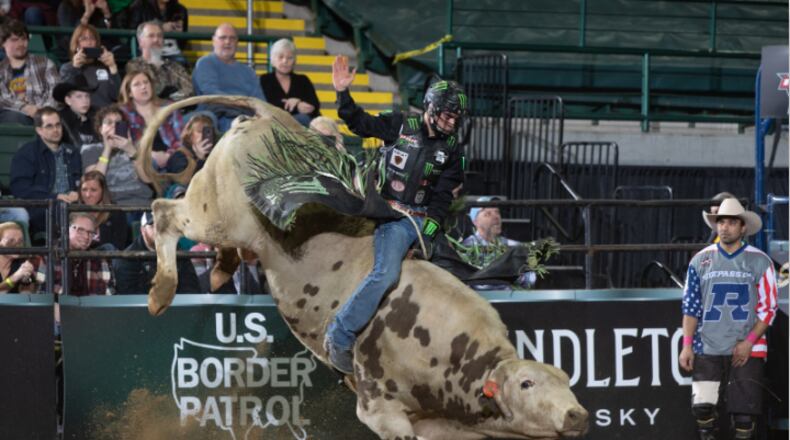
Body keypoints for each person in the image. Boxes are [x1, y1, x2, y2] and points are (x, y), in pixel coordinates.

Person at [323, 55, 468, 373]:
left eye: (456, 118)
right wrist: (343, 94)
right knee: (386, 274)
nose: (451, 123)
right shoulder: (402, 125)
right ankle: (340, 334)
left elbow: (442, 200)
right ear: (430, 107)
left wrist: (427, 236)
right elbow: (359, 123)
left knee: (457, 273)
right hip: (390, 216)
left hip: (421, 221)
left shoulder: (453, 151)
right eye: (446, 115)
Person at [678, 198, 778, 440]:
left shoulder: (760, 261)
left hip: (747, 348)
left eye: (732, 222)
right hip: (707, 345)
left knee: (744, 417)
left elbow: (769, 307)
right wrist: (687, 345)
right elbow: (691, 306)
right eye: (721, 222)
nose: (725, 227)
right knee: (702, 408)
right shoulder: (700, 260)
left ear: (743, 227)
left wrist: (749, 341)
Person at [10, 107, 82, 236]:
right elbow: (20, 188)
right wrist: (55, 197)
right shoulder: (27, 153)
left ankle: (108, 253)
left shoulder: (72, 152)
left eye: (58, 125)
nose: (55, 130)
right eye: (49, 126)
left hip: (73, 205)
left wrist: (78, 193)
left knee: (109, 213)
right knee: (62, 211)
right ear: (39, 130)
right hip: (43, 207)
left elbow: (81, 181)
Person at [192, 23, 265, 132]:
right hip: (218, 114)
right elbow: (212, 94)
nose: (227, 42)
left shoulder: (248, 71)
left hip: (246, 115)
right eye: (223, 38)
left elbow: (260, 101)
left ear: (237, 42)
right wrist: (242, 103)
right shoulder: (205, 63)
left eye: (232, 38)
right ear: (214, 41)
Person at [81, 105, 153, 216]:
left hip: (142, 204)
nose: (114, 126)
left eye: (118, 123)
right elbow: (93, 182)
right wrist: (107, 149)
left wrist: (131, 151)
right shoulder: (91, 150)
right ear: (100, 129)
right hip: (112, 208)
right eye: (108, 122)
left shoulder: (138, 148)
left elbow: (148, 178)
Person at [114, 211, 200, 294]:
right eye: (152, 226)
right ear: (143, 230)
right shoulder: (128, 258)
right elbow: (130, 298)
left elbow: (191, 290)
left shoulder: (179, 253)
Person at [119, 69, 184, 169]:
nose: (144, 86)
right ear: (129, 93)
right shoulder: (123, 113)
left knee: (181, 160)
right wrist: (150, 155)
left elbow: (180, 138)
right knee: (149, 165)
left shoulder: (168, 107)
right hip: (142, 158)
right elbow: (124, 144)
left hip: (171, 155)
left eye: (146, 82)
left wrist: (168, 155)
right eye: (137, 84)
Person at [37, 212, 114, 295]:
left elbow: (108, 297)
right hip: (56, 307)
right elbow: (35, 295)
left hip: (88, 307)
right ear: (66, 229)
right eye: (80, 230)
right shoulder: (46, 256)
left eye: (91, 233)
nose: (86, 237)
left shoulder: (99, 261)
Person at [0, 19, 59, 125]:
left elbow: (55, 92)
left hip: (45, 115)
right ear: (3, 43)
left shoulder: (45, 64)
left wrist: (40, 111)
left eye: (23, 39)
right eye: (14, 40)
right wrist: (26, 108)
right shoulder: (1, 70)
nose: (21, 44)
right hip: (16, 117)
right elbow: (3, 99)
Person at [125, 21, 193, 101]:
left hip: (176, 110)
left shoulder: (173, 66)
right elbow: (148, 92)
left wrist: (170, 98)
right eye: (151, 36)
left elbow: (189, 89)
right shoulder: (134, 65)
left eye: (159, 36)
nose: (156, 40)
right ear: (141, 42)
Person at [58, 24, 120, 111]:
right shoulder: (67, 68)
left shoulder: (105, 66)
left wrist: (113, 67)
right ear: (77, 45)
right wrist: (75, 68)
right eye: (84, 39)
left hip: (106, 115)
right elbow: (64, 97)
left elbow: (117, 96)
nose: (89, 42)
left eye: (92, 38)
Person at [259, 38, 320, 126]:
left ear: (294, 61)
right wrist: (296, 106)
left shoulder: (303, 80)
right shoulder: (264, 79)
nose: (285, 61)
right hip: (273, 124)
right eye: (281, 57)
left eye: (290, 58)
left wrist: (298, 102)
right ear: (272, 61)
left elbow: (314, 105)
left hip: (301, 127)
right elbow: (266, 106)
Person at [78, 170, 128, 251]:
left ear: (103, 191)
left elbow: (119, 246)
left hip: (107, 260)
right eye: (84, 190)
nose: (88, 195)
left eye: (93, 190)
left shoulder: (115, 212)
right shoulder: (72, 210)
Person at [53, 74, 101, 150]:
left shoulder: (97, 115)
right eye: (79, 96)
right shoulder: (60, 119)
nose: (85, 101)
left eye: (87, 96)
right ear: (68, 100)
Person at [0, 221, 37, 293]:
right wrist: (15, 277)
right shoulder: (20, 271)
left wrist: (27, 279)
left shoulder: (22, 264)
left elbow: (26, 297)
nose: (17, 246)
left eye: (20, 241)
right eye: (11, 241)